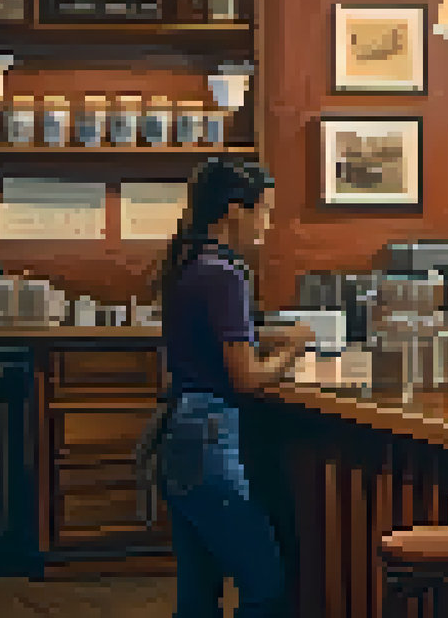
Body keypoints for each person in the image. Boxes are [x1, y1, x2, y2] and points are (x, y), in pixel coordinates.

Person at [136, 158, 312, 618]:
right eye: (265, 211)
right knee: (265, 584)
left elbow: (219, 336)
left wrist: (271, 336)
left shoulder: (189, 263)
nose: (268, 225)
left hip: (177, 434)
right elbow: (247, 377)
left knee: (198, 597)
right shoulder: (226, 276)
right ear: (235, 211)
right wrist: (293, 350)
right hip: (210, 439)